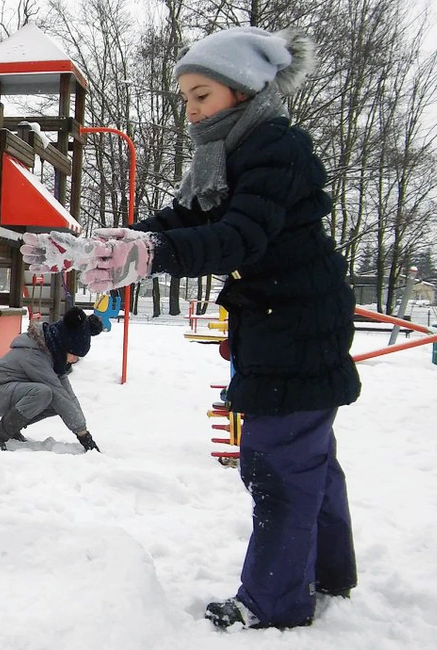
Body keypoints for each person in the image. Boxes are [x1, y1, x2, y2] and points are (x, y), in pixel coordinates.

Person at [22, 27, 360, 630]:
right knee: (308, 455)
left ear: (243, 89)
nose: (191, 110)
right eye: (185, 98)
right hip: (281, 319)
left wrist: (150, 254)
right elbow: (180, 220)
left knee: (276, 459)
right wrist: (91, 248)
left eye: (201, 95)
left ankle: (275, 600)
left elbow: (239, 236)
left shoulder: (274, 148)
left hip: (298, 322)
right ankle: (327, 571)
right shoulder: (228, 153)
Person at [0, 307, 103, 452]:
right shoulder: (34, 355)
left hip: (8, 391)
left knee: (57, 401)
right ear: (65, 345)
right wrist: (83, 436)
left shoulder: (53, 356)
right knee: (44, 393)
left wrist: (84, 431)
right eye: (74, 354)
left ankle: (12, 429)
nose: (75, 360)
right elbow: (58, 394)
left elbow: (68, 397)